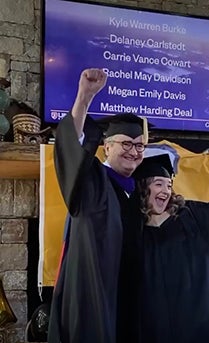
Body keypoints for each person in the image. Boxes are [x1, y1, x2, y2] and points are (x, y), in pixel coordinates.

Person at [47, 68, 149, 343]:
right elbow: (72, 150)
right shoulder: (91, 182)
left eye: (140, 146)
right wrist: (84, 98)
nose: (134, 151)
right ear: (106, 147)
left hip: (128, 300)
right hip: (95, 297)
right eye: (126, 143)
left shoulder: (137, 192)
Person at [132, 151, 209, 343]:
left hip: (200, 328)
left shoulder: (192, 216)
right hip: (153, 329)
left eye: (169, 185)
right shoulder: (131, 231)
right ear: (142, 187)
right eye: (158, 184)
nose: (166, 190)